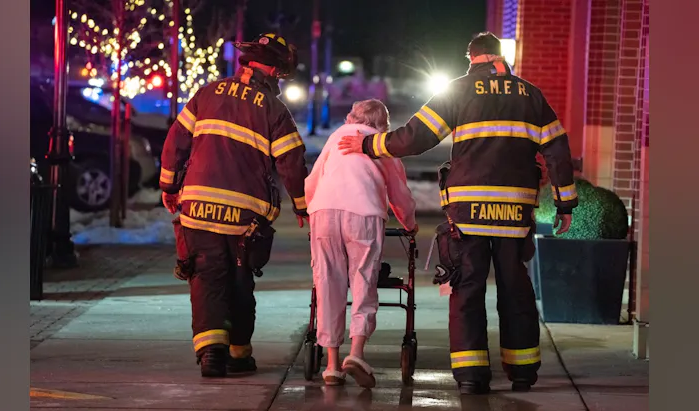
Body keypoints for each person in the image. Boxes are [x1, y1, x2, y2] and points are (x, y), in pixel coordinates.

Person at [338, 32, 578, 394]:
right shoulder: (531, 94)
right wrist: (565, 203)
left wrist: (369, 144)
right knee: (516, 290)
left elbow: (416, 137)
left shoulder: (458, 89)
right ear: (500, 57)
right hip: (515, 211)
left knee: (467, 290)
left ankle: (471, 376)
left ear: (472, 58)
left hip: (468, 212)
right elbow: (557, 150)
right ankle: (523, 371)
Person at [160, 33, 310, 378]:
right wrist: (302, 206)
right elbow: (291, 162)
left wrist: (169, 185)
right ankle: (239, 354)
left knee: (206, 277)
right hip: (246, 217)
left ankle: (211, 354)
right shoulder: (274, 109)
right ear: (273, 69)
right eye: (281, 74)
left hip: (197, 208)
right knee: (241, 281)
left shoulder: (207, 93)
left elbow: (175, 142)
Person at [305, 99, 418, 388]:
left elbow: (313, 180)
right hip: (363, 213)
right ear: (383, 125)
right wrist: (409, 223)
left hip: (324, 212)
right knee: (363, 280)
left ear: (349, 117)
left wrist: (310, 209)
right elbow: (398, 191)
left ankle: (331, 365)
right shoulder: (382, 144)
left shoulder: (335, 138)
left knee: (328, 283)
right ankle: (355, 354)